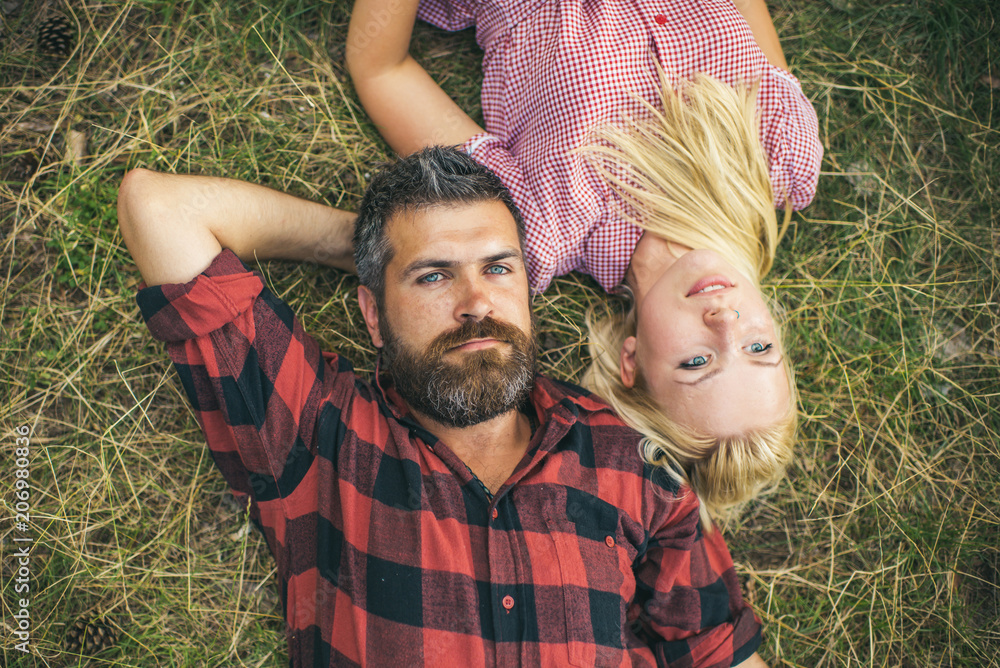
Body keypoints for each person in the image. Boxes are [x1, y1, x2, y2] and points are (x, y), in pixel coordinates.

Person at [119, 146, 769, 666]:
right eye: (433, 275)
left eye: (498, 267)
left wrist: (413, 262)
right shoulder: (319, 432)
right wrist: (363, 252)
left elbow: (718, 653)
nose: (476, 302)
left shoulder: (627, 459)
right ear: (373, 314)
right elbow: (159, 210)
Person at [345, 0, 823, 517]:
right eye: (758, 347)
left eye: (698, 361)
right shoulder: (782, 158)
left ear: (632, 362)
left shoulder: (538, 228)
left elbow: (382, 68)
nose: (725, 323)